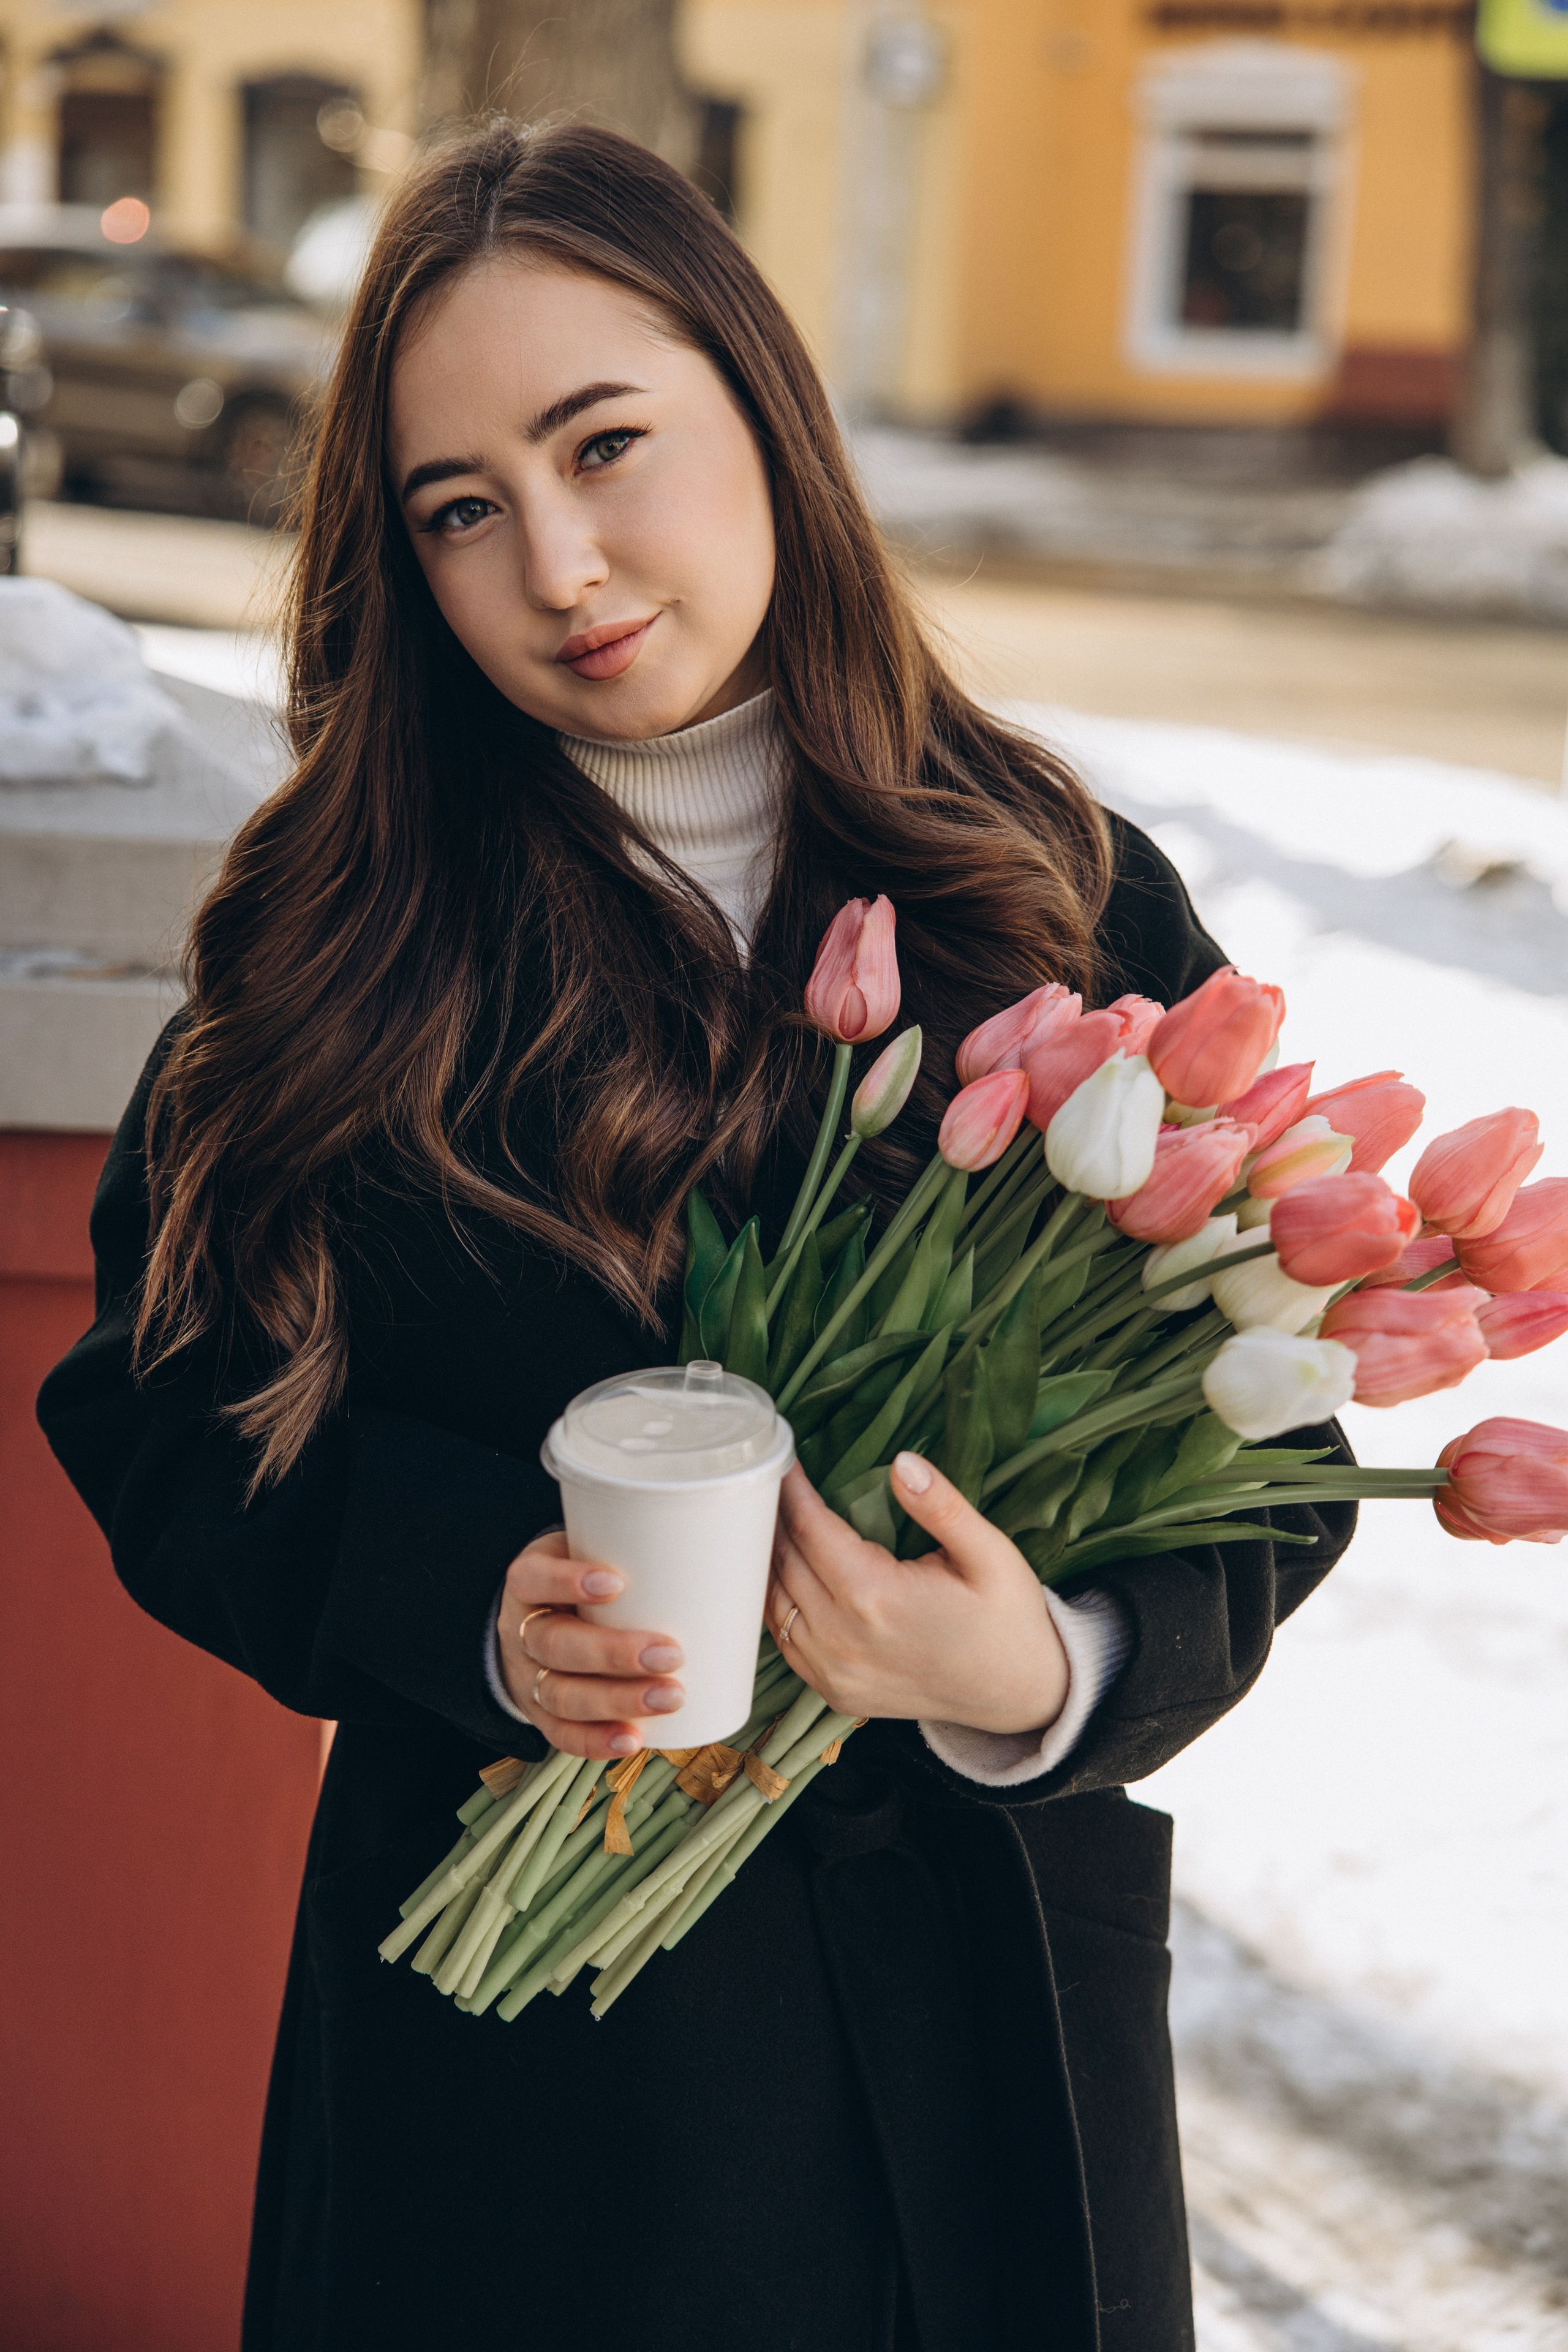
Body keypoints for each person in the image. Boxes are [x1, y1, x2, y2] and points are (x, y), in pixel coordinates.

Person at [37, 121, 1355, 2352]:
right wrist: (469, 1607)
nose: (560, 562)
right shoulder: (348, 947)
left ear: (762, 402)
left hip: (973, 2056)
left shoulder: (1054, 891)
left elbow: (1275, 1428)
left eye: (606, 443)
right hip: (533, 2128)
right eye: (464, 510)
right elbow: (159, 1420)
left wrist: (1042, 1675)